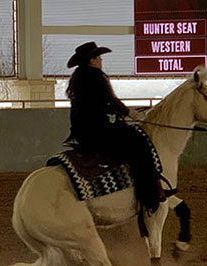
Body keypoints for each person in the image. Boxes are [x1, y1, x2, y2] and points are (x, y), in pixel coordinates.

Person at [64, 41, 165, 215]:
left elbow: (97, 104)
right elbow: (109, 99)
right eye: (99, 57)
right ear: (92, 60)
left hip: (83, 132)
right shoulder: (95, 76)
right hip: (98, 131)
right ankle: (149, 196)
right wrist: (128, 112)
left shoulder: (79, 78)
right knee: (140, 144)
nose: (101, 60)